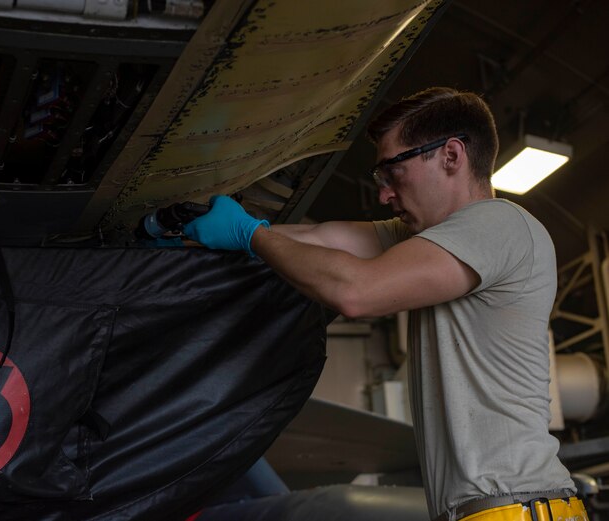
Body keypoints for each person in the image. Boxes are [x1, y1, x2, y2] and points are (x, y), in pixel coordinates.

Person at [182, 87, 589, 521]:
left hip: (515, 510)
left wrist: (251, 234)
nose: (384, 194)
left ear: (451, 156)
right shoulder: (425, 238)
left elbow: (357, 292)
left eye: (393, 171)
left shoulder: (497, 224)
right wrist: (193, 234)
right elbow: (321, 241)